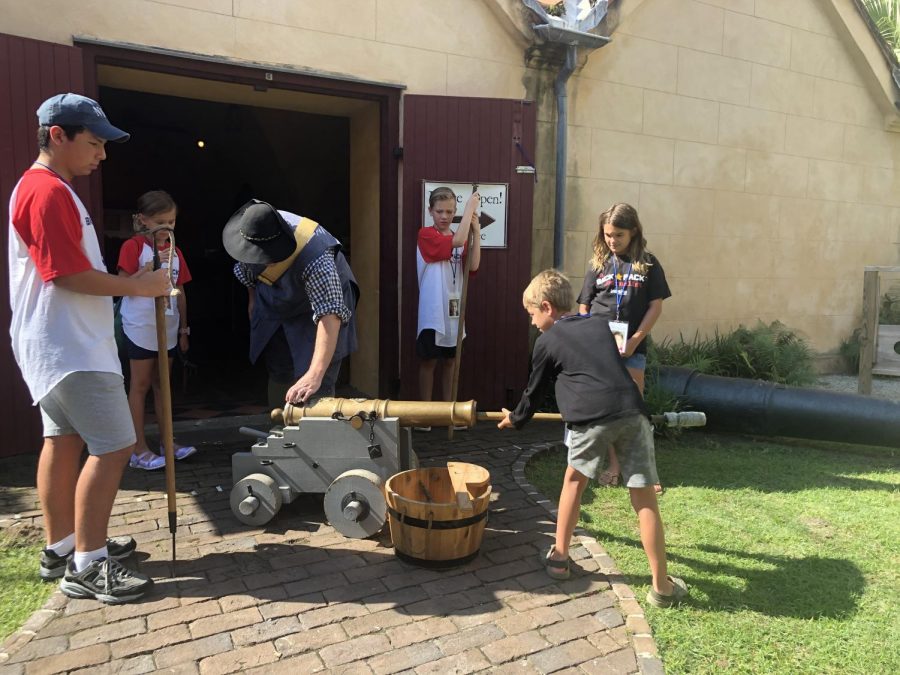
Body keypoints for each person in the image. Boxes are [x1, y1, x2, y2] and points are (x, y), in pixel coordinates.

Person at [8, 93, 170, 603]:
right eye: (95, 142)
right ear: (59, 135)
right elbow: (69, 275)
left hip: (58, 344)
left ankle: (62, 547)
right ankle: (89, 564)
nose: (102, 154)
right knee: (116, 444)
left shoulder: (47, 187)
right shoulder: (46, 190)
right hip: (72, 347)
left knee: (63, 441)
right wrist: (139, 287)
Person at [497, 269, 687, 608]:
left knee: (573, 482)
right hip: (632, 411)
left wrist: (515, 418)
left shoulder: (547, 341)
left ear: (546, 307)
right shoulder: (602, 324)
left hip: (590, 418)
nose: (532, 323)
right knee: (644, 498)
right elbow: (610, 364)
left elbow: (533, 392)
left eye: (532, 315)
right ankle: (662, 588)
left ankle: (559, 558)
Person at [224, 199, 359, 407]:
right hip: (276, 302)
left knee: (314, 384)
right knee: (280, 369)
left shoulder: (317, 257)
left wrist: (314, 375)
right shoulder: (249, 233)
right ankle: (280, 427)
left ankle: (315, 434)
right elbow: (245, 272)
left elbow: (329, 315)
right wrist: (253, 299)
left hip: (321, 309)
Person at [578, 203, 671, 492]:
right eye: (607, 235)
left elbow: (655, 306)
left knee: (633, 410)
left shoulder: (649, 263)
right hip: (601, 350)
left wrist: (634, 341)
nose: (612, 241)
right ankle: (615, 465)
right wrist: (590, 339)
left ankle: (645, 472)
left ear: (633, 232)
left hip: (632, 349)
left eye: (618, 235)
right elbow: (584, 306)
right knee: (608, 410)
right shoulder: (598, 264)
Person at [117, 190, 197, 470]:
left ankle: (168, 442)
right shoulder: (134, 247)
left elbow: (181, 289)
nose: (167, 229)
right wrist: (150, 267)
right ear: (144, 220)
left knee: (163, 384)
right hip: (141, 324)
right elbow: (122, 283)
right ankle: (138, 449)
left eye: (172, 222)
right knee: (139, 386)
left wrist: (184, 330)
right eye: (160, 222)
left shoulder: (176, 250)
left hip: (169, 324)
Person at [416, 187, 481, 424]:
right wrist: (469, 210)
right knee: (429, 361)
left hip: (454, 312)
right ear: (430, 211)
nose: (444, 216)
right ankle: (425, 415)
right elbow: (457, 241)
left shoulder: (460, 233)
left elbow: (472, 266)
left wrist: (476, 228)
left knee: (451, 362)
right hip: (433, 311)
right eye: (440, 211)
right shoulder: (426, 234)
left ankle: (447, 413)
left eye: (449, 211)